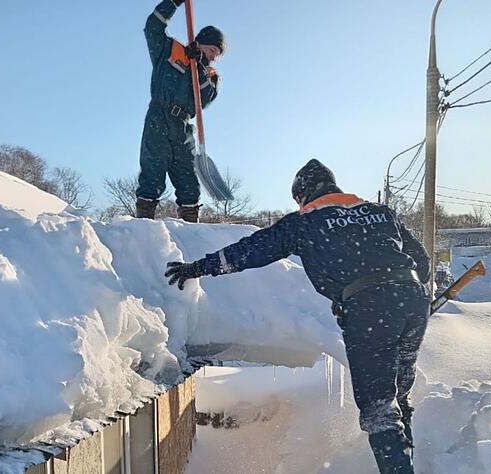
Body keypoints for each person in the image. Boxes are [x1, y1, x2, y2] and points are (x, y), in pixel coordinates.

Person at [164, 159, 431, 474]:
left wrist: (197, 268)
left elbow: (252, 250)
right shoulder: (380, 212)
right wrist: (390, 288)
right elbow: (423, 264)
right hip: (413, 300)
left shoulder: (304, 222)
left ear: (304, 195)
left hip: (369, 309)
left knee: (378, 409)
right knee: (399, 391)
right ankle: (410, 460)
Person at [135, 0, 226, 222]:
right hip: (159, 116)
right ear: (202, 42)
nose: (214, 57)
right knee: (152, 175)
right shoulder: (169, 50)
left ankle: (190, 231)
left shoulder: (211, 75)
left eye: (218, 54)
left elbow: (203, 101)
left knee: (188, 182)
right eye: (213, 50)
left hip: (183, 127)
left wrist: (200, 67)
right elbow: (152, 26)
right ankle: (144, 227)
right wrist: (173, 3)